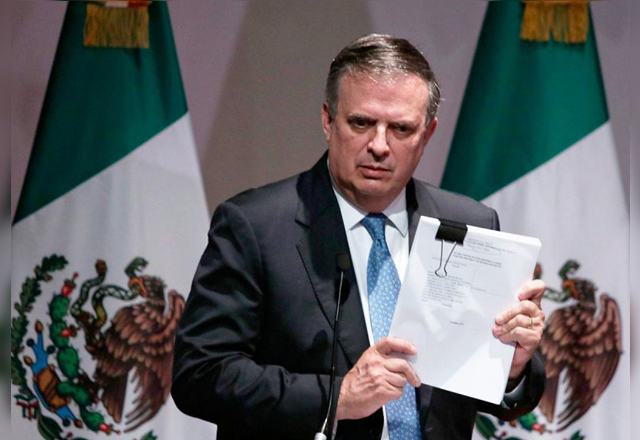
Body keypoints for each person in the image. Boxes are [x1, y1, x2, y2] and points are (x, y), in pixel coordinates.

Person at [171, 34, 546, 440]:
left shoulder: (470, 223)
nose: (379, 146)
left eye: (401, 128)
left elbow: (492, 396)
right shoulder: (255, 226)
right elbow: (200, 375)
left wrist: (512, 366)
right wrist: (336, 398)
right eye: (362, 123)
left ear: (427, 133)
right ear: (328, 120)